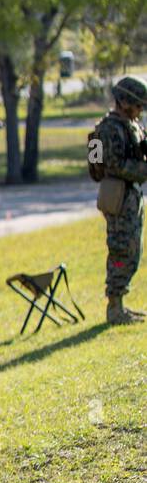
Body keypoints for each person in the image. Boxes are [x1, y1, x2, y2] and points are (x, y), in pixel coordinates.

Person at [91, 76, 147, 324]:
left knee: (133, 249)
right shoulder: (110, 128)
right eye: (137, 105)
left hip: (131, 194)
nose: (140, 110)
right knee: (121, 248)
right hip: (118, 195)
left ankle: (120, 305)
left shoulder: (130, 125)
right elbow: (114, 165)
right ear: (123, 102)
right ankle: (114, 308)